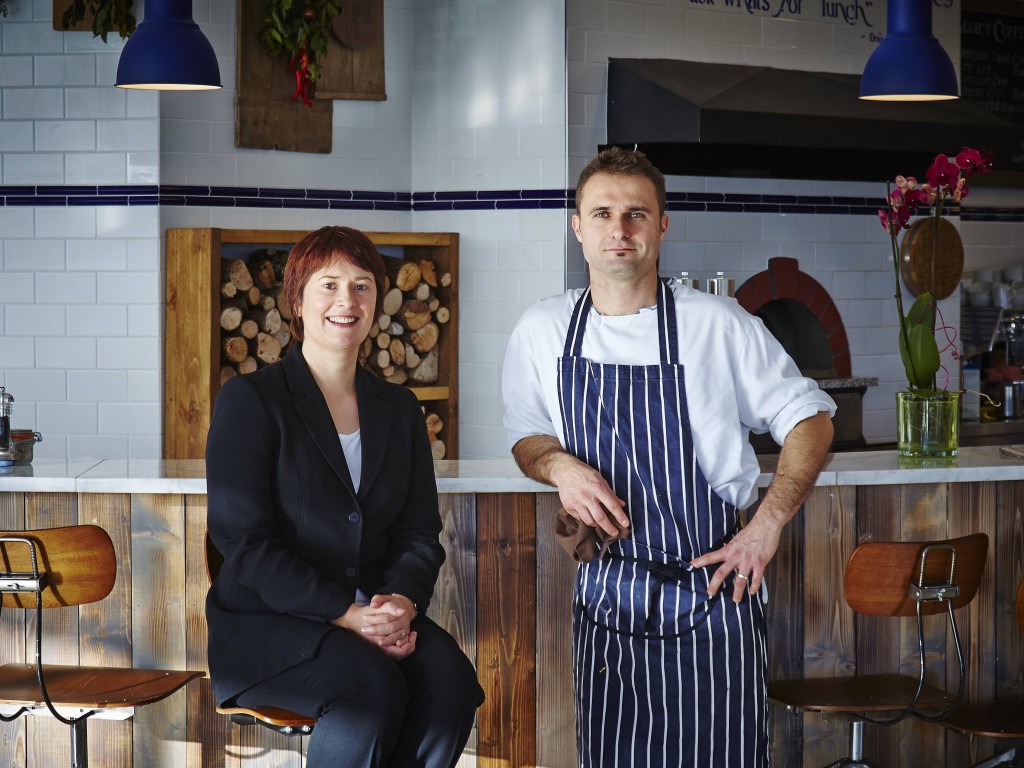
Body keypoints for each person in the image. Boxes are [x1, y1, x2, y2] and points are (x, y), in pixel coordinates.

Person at [502, 148, 836, 767]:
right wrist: (560, 467)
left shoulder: (717, 322)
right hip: (607, 591)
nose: (619, 230)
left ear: (662, 225)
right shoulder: (542, 329)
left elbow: (811, 419)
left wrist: (766, 526)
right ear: (577, 226)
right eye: (602, 213)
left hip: (712, 586)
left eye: (636, 214)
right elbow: (527, 436)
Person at [206, 226, 484, 768]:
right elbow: (245, 543)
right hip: (268, 626)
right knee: (371, 688)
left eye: (361, 287)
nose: (346, 301)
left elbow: (418, 534)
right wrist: (347, 616)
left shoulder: (400, 409)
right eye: (328, 285)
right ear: (297, 301)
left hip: (375, 616)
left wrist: (400, 603)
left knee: (451, 682)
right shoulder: (251, 400)